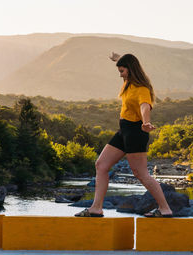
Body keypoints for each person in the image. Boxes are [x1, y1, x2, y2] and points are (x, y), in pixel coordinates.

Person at [75, 53, 173, 218]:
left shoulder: (142, 89)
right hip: (124, 131)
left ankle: (165, 209)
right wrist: (118, 59)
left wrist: (146, 122)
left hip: (136, 131)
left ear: (130, 70)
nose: (120, 74)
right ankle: (96, 208)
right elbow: (131, 62)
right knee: (101, 165)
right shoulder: (128, 83)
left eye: (122, 71)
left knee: (141, 174)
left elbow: (145, 107)